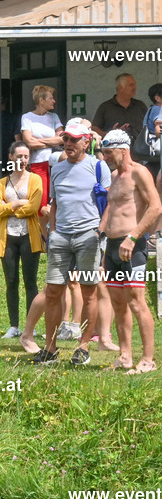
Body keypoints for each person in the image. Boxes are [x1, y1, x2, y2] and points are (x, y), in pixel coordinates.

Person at [33, 120, 110, 365]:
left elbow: (109, 204)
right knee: (53, 291)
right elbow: (54, 202)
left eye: (74, 139)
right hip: (60, 237)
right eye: (66, 139)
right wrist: (52, 230)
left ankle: (83, 347)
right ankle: (50, 348)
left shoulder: (98, 166)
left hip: (89, 235)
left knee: (88, 292)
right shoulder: (56, 167)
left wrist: (99, 232)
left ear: (87, 141)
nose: (68, 143)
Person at [99, 130, 162, 373]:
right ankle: (125, 356)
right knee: (118, 303)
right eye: (103, 152)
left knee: (137, 302)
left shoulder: (139, 172)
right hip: (113, 247)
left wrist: (133, 237)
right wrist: (102, 234)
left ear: (123, 149)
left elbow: (155, 207)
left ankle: (148, 359)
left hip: (132, 246)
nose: (105, 157)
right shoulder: (114, 176)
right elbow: (113, 208)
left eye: (109, 152)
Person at [0, 142, 44, 339]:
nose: (22, 160)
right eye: (19, 156)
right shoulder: (0, 184)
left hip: (29, 237)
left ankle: (31, 327)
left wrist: (10, 209)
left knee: (31, 282)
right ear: (11, 157)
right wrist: (16, 203)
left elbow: (33, 207)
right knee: (11, 281)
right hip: (9, 238)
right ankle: (13, 325)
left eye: (25, 156)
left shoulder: (35, 179)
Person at [21, 85, 64, 220]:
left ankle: (52, 234)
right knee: (41, 202)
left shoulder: (54, 117)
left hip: (55, 162)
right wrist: (52, 141)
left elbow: (62, 139)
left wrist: (39, 140)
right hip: (38, 164)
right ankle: (42, 239)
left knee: (54, 200)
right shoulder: (27, 117)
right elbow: (29, 142)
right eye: (51, 98)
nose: (54, 101)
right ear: (41, 100)